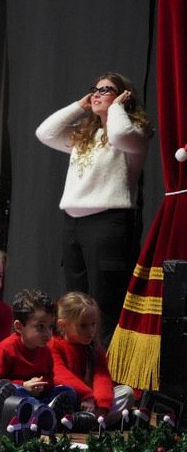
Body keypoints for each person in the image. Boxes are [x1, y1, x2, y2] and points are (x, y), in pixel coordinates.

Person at [35, 72, 153, 341]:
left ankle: (108, 363)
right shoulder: (86, 136)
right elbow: (45, 132)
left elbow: (120, 133)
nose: (97, 94)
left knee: (104, 302)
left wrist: (117, 108)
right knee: (75, 303)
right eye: (95, 89)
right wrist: (80, 105)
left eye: (106, 90)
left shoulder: (135, 133)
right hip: (74, 224)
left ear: (124, 97)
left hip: (108, 224)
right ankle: (77, 361)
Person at [0, 289, 78, 422]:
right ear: (19, 327)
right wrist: (23, 385)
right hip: (8, 400)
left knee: (68, 391)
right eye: (40, 327)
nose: (48, 334)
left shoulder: (45, 351)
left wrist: (42, 385)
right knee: (16, 391)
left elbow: (49, 379)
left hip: (36, 398)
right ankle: (46, 414)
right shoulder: (4, 351)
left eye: (50, 327)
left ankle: (44, 412)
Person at [50, 291, 134, 427]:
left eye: (93, 324)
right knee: (62, 395)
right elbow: (60, 375)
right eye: (83, 326)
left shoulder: (94, 348)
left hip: (92, 403)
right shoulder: (53, 345)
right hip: (74, 400)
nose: (90, 331)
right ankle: (84, 422)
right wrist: (86, 395)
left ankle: (91, 421)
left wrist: (102, 405)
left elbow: (102, 377)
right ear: (63, 325)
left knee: (126, 393)